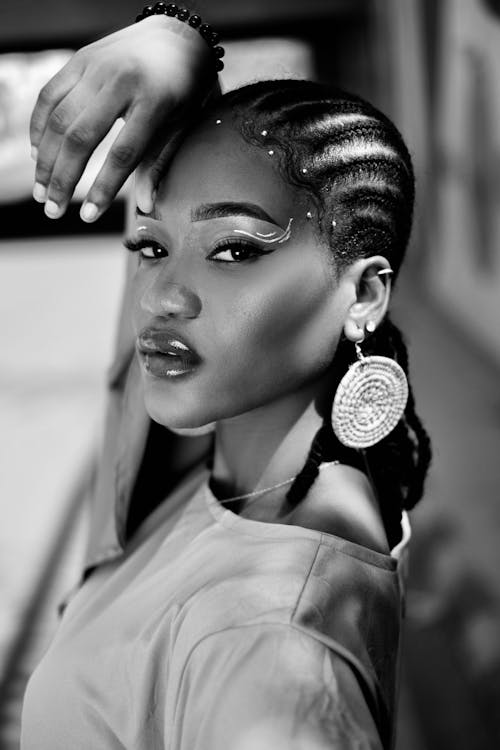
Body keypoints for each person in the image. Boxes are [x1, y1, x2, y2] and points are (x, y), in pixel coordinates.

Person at [22, 9, 431, 750]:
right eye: (151, 246)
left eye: (234, 251)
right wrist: (180, 39)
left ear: (366, 294)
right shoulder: (240, 459)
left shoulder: (269, 647)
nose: (158, 297)